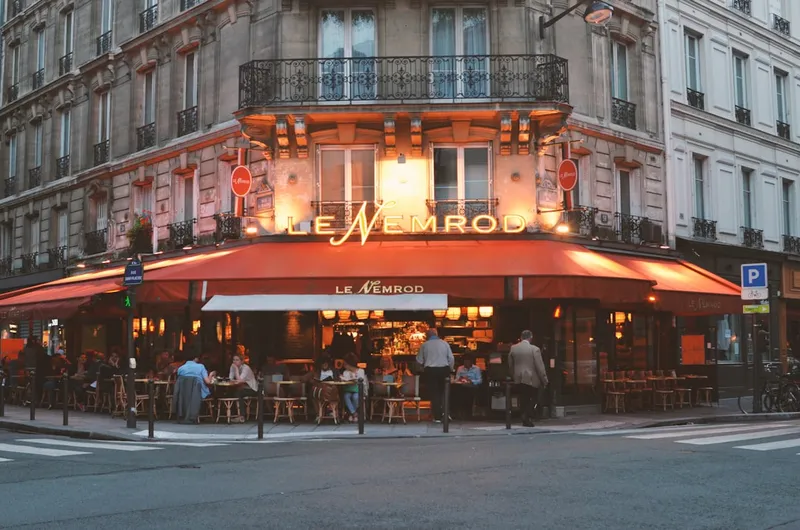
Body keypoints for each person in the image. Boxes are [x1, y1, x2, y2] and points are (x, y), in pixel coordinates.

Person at [508, 330, 548, 427]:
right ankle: (527, 415)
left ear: (521, 337)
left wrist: (513, 375)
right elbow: (540, 366)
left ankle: (524, 416)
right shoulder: (534, 349)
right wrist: (544, 379)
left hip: (518, 377)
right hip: (531, 378)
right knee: (533, 397)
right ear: (530, 337)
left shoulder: (513, 348)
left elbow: (510, 364)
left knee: (523, 398)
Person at [416, 329, 454, 423]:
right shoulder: (444, 344)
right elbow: (451, 358)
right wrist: (450, 369)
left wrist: (422, 368)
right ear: (437, 334)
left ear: (427, 336)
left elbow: (419, 360)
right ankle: (446, 414)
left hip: (431, 370)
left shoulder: (425, 345)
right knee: (444, 392)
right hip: (444, 369)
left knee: (434, 393)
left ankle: (437, 416)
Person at [229, 354, 257, 423]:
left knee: (239, 393)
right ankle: (233, 414)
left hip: (252, 388)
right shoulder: (232, 366)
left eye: (237, 360)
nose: (235, 362)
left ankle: (242, 416)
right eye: (234, 360)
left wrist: (236, 370)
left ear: (242, 361)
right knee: (229, 392)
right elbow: (230, 378)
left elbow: (239, 380)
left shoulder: (246, 368)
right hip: (242, 387)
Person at [340, 353, 368, 422]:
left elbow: (362, 381)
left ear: (350, 364)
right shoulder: (345, 372)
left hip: (358, 390)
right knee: (346, 396)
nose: (344, 366)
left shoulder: (360, 371)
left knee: (356, 397)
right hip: (348, 389)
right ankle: (354, 413)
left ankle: (351, 414)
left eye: (345, 364)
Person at [454, 355, 482, 419]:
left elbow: (479, 380)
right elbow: (457, 379)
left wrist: (471, 381)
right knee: (457, 391)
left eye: (468, 362)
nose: (466, 364)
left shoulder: (476, 369)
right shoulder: (460, 368)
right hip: (462, 386)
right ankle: (458, 411)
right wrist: (460, 379)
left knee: (469, 393)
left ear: (471, 362)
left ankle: (468, 412)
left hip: (472, 386)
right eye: (465, 362)